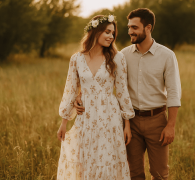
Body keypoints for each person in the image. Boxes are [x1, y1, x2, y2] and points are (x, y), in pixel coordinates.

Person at [74, 8, 181, 180]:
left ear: (148, 28)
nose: (130, 31)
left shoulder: (167, 56)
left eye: (134, 27)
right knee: (134, 173)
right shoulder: (121, 56)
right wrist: (80, 94)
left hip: (157, 121)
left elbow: (174, 93)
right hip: (129, 122)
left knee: (160, 174)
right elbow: (102, 79)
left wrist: (171, 125)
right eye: (129, 27)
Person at [56, 14, 135, 180]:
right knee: (85, 159)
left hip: (109, 116)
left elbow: (122, 92)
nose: (111, 36)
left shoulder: (117, 58)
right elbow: (70, 89)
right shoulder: (76, 59)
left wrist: (127, 124)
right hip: (86, 116)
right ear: (95, 31)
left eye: (113, 33)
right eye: (107, 31)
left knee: (107, 159)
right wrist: (64, 122)